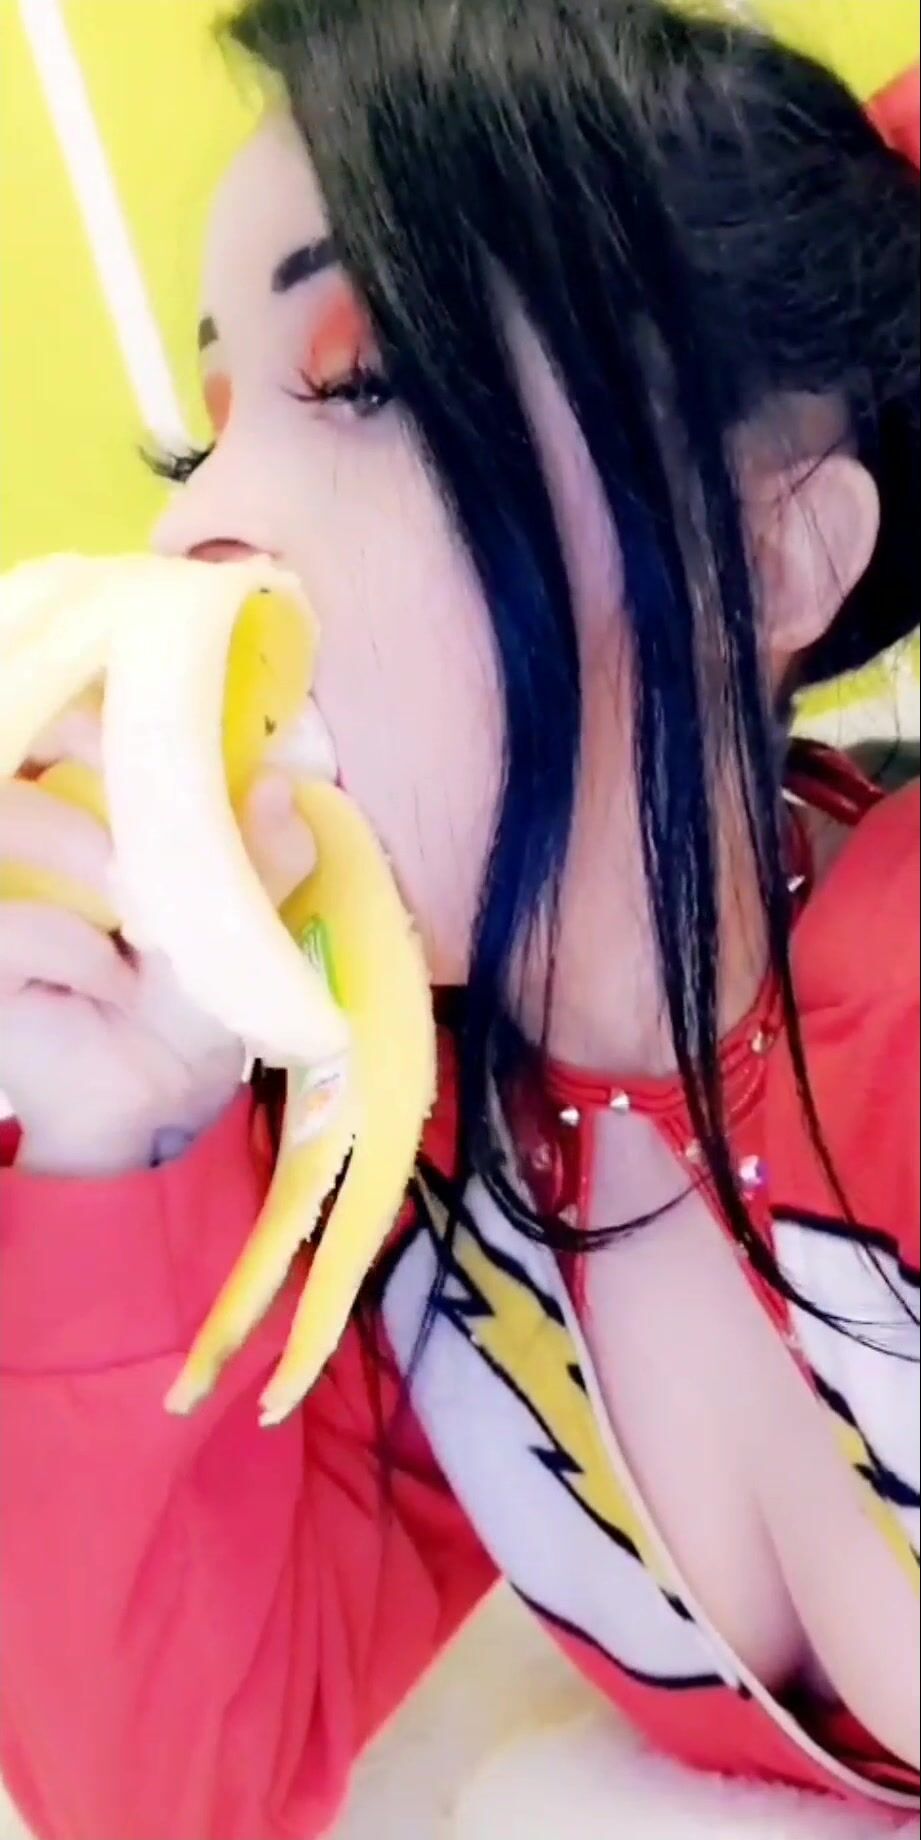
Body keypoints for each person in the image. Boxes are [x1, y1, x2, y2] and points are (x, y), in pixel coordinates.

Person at [1, 2, 918, 1835]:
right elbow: (172, 1790)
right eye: (203, 444)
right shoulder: (388, 1187)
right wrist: (116, 1141)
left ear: (767, 553)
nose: (196, 538)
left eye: (359, 380)